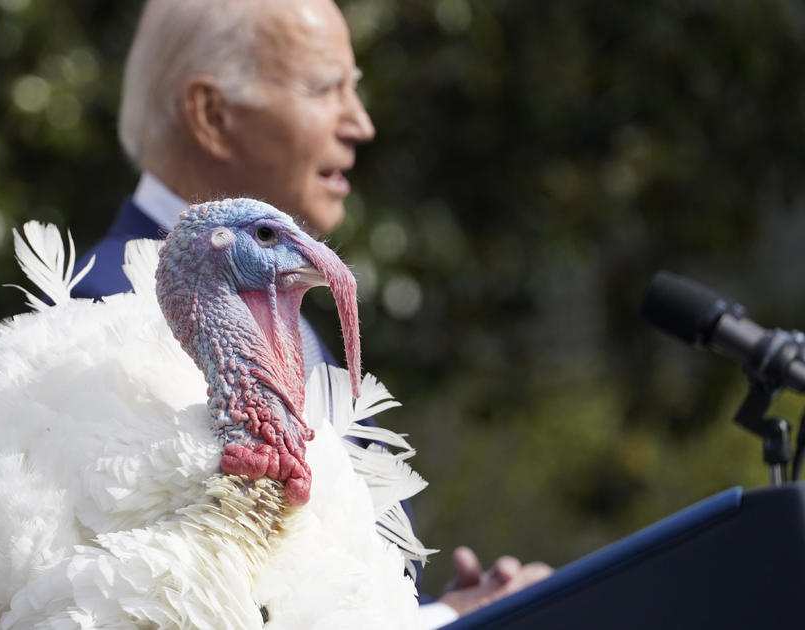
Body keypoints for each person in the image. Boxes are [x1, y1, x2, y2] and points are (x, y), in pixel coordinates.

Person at [71, 0, 553, 626]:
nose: (360, 124)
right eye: (327, 89)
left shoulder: (262, 291)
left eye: (356, 90)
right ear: (212, 115)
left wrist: (448, 612)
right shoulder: (107, 315)